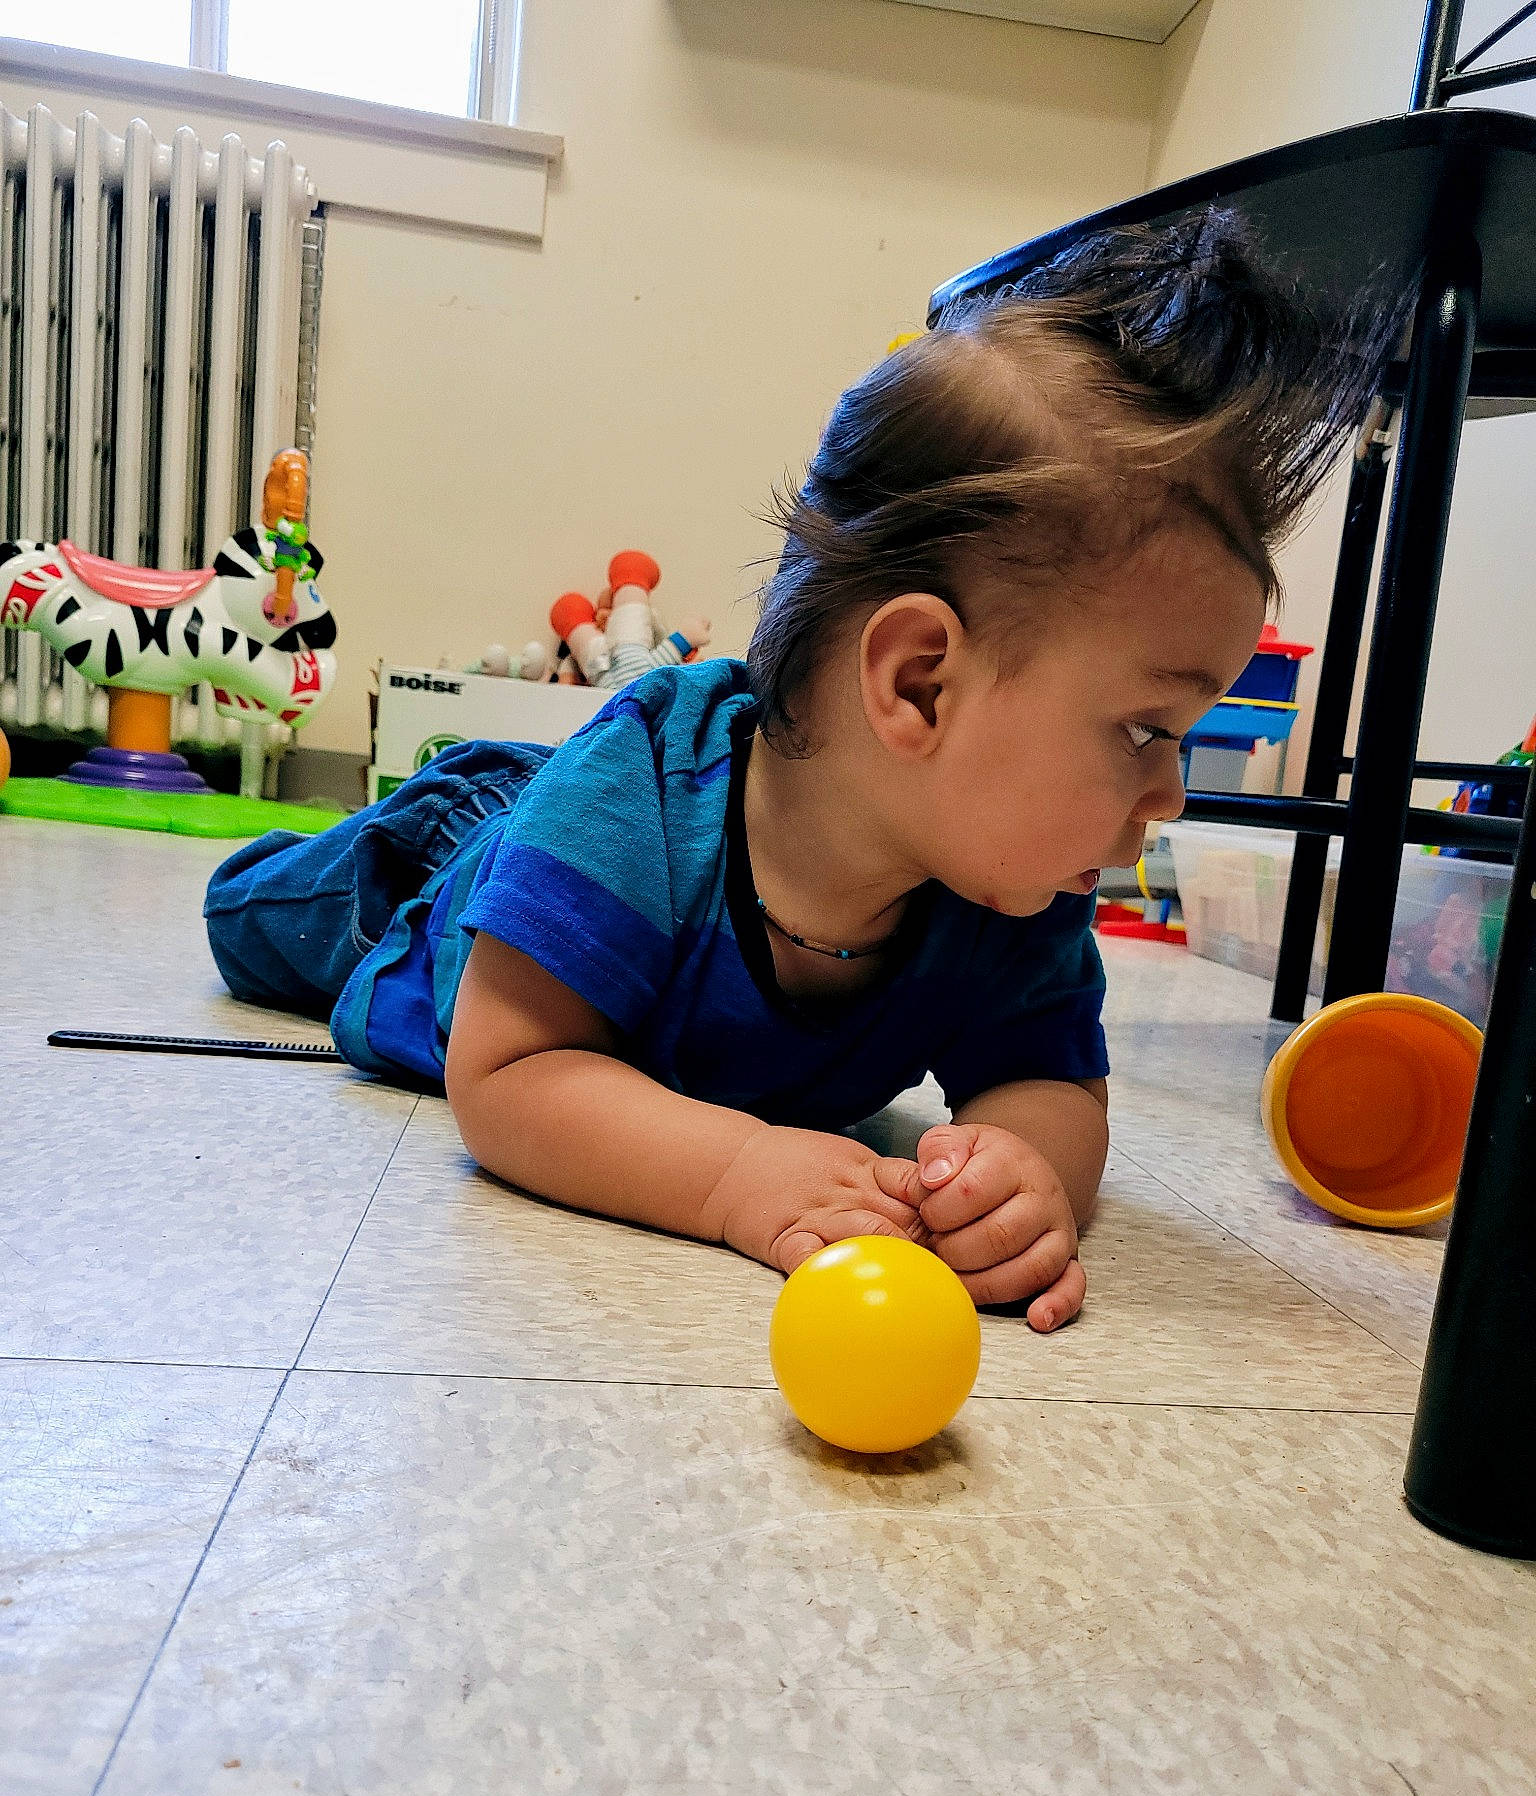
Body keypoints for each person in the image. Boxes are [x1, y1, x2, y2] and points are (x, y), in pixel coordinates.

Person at [204, 210, 1404, 1332]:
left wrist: (1025, 1171)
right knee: (258, 919)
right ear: (920, 683)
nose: (1171, 791)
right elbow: (508, 1072)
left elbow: (1051, 1081)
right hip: (457, 871)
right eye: (1147, 729)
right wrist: (735, 1169)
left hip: (590, 845)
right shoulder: (635, 804)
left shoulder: (1013, 889)